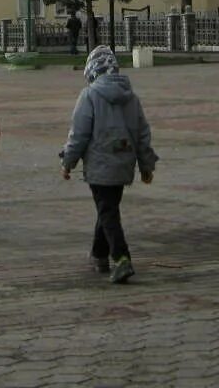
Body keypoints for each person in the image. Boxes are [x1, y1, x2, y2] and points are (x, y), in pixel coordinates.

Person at [60, 45, 157, 284]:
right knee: (108, 208)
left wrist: (68, 162)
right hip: (124, 163)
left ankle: (122, 258)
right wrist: (146, 165)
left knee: (107, 211)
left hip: (100, 164)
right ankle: (99, 255)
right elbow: (142, 134)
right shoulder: (131, 97)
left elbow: (79, 134)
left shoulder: (89, 95)